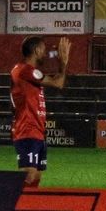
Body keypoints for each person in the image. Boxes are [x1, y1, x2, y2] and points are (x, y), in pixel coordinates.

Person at [11, 36, 71, 187]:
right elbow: (58, 83)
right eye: (44, 50)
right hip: (27, 130)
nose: (45, 54)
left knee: (36, 175)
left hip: (38, 131)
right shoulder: (24, 70)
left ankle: (31, 207)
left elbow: (59, 81)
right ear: (36, 50)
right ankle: (13, 207)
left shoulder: (31, 74)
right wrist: (63, 63)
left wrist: (61, 66)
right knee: (29, 175)